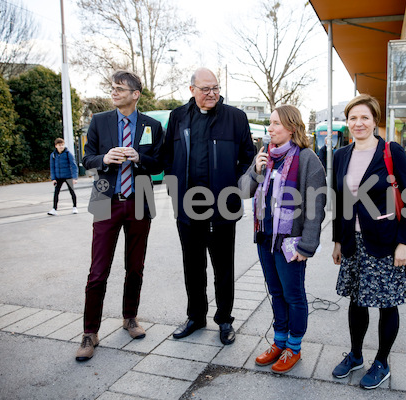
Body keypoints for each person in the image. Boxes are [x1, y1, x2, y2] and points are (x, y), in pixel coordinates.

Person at [331, 94, 406, 389]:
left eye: (364, 117)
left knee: (385, 303)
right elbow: (340, 200)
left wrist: (405, 242)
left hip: (385, 241)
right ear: (347, 123)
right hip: (353, 242)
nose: (358, 123)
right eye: (353, 118)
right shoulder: (341, 155)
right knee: (357, 301)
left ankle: (382, 361)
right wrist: (338, 241)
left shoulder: (391, 151)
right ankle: (355, 355)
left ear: (375, 121)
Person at [162, 68, 255, 345]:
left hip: (223, 209)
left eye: (215, 88)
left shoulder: (235, 118)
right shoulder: (178, 116)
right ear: (192, 90)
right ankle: (196, 316)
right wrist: (174, 188)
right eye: (205, 89)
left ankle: (225, 320)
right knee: (192, 265)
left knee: (223, 268)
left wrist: (233, 189)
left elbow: (247, 158)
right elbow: (168, 156)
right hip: (188, 208)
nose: (212, 93)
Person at [76, 70, 163, 361]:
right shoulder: (100, 121)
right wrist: (104, 158)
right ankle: (90, 332)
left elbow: (160, 163)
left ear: (135, 94)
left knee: (135, 266)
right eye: (112, 88)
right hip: (104, 198)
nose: (113, 93)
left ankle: (130, 318)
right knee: (97, 271)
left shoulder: (151, 125)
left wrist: (140, 158)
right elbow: (87, 159)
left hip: (140, 200)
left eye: (120, 89)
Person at [239, 105, 326, 373]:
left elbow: (315, 206)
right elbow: (243, 191)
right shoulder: (265, 156)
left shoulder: (307, 158)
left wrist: (307, 245)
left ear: (291, 127)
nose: (270, 128)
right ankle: (279, 341)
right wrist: (255, 170)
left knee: (293, 294)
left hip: (290, 242)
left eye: (276, 123)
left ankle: (294, 347)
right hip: (265, 237)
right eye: (269, 123)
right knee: (276, 292)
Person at [48, 138, 78, 215]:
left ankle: (75, 207)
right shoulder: (53, 155)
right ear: (56, 146)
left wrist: (75, 178)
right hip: (59, 177)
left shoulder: (68, 153)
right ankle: (54, 209)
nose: (61, 146)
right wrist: (53, 179)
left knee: (72, 191)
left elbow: (73, 165)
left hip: (68, 176)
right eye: (59, 145)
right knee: (56, 193)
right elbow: (52, 167)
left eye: (62, 145)